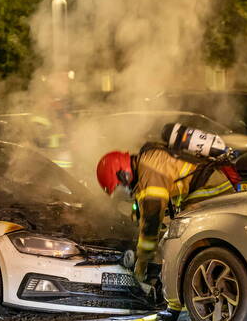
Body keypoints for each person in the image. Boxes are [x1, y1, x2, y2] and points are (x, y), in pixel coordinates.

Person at [95, 124, 238, 303]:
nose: (124, 189)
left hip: (210, 189)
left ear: (123, 173)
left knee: (191, 243)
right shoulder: (148, 162)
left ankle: (195, 296)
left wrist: (142, 264)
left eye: (120, 185)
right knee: (190, 241)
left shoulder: (149, 173)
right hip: (209, 186)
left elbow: (152, 221)